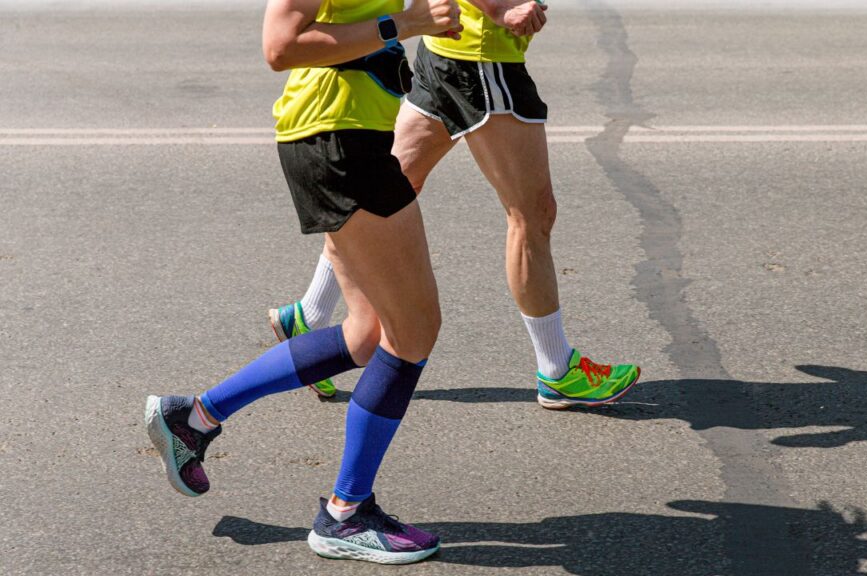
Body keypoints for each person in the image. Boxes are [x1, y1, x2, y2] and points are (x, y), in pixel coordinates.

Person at [145, 0, 463, 564]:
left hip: (351, 135)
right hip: (337, 141)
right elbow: (281, 45)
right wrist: (405, 24)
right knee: (414, 332)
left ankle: (192, 417)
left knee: (367, 334)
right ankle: (346, 514)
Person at [269, 0, 642, 409]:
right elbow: (279, 47)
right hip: (481, 56)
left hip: (451, 48)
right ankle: (557, 369)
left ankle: (310, 314)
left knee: (378, 196)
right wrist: (498, 8)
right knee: (532, 215)